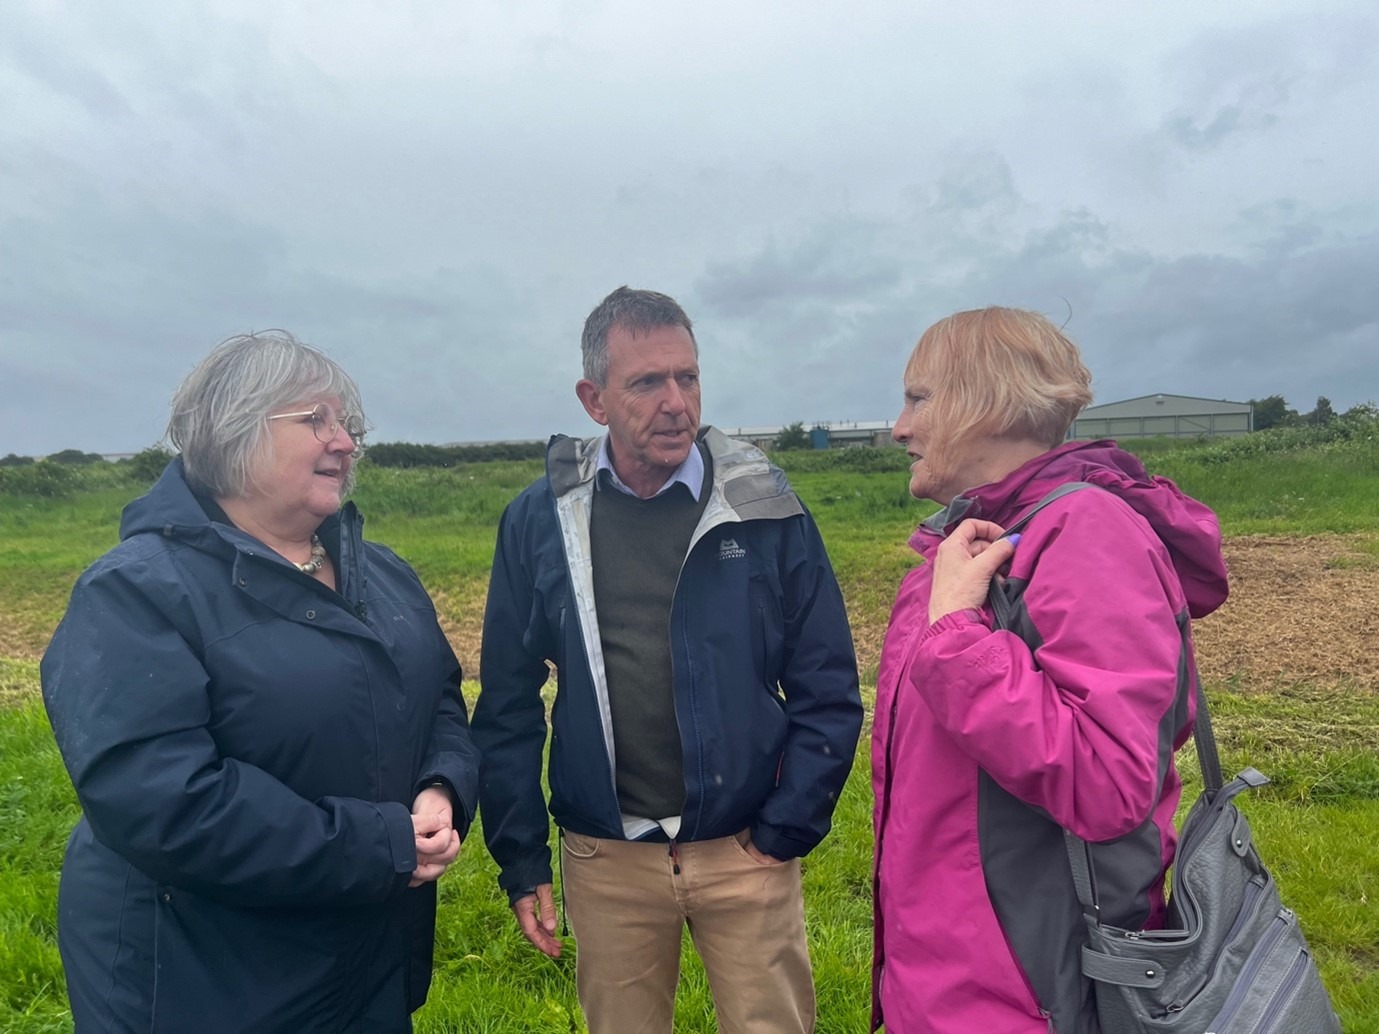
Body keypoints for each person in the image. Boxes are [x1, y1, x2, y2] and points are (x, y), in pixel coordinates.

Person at [41, 331, 479, 1033]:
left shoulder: (383, 573)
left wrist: (441, 788)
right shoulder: (136, 592)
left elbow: (439, 702)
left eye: (349, 425)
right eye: (317, 421)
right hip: (206, 983)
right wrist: (380, 845)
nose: (344, 443)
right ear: (233, 431)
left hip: (364, 963)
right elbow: (163, 802)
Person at [472, 286, 863, 1033]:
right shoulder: (541, 520)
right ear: (594, 399)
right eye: (647, 382)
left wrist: (786, 827)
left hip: (744, 851)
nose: (675, 401)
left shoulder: (764, 508)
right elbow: (507, 705)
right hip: (606, 858)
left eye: (687, 377)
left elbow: (827, 684)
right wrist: (521, 857)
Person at [872, 308, 1230, 1033]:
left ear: (990, 404)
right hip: (950, 980)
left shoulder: (1086, 533)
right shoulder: (984, 539)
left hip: (1020, 994)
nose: (898, 428)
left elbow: (1107, 781)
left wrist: (954, 641)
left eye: (918, 398)